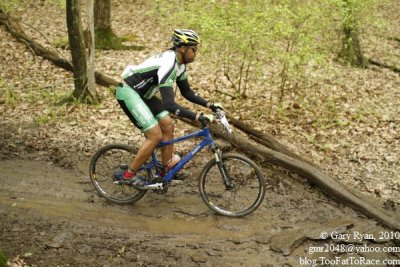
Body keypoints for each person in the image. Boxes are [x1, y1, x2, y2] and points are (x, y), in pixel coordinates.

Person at [114, 29, 223, 189]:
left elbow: (187, 92)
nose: (196, 53)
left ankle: (164, 173)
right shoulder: (169, 64)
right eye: (194, 49)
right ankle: (128, 175)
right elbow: (170, 105)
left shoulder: (180, 66)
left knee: (168, 125)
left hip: (145, 94)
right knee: (155, 135)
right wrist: (197, 116)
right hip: (129, 91)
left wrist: (209, 105)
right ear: (182, 48)